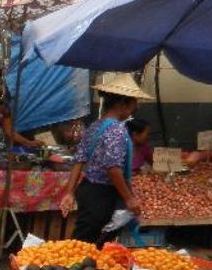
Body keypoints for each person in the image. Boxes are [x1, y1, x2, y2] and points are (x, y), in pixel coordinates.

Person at [60, 74, 150, 242]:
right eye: (134, 104)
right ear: (123, 104)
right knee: (87, 243)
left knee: (86, 237)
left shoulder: (95, 126)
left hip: (87, 189)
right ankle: (72, 267)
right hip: (101, 195)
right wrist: (129, 198)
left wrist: (70, 192)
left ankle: (79, 265)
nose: (134, 108)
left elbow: (79, 160)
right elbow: (113, 169)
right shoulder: (116, 130)